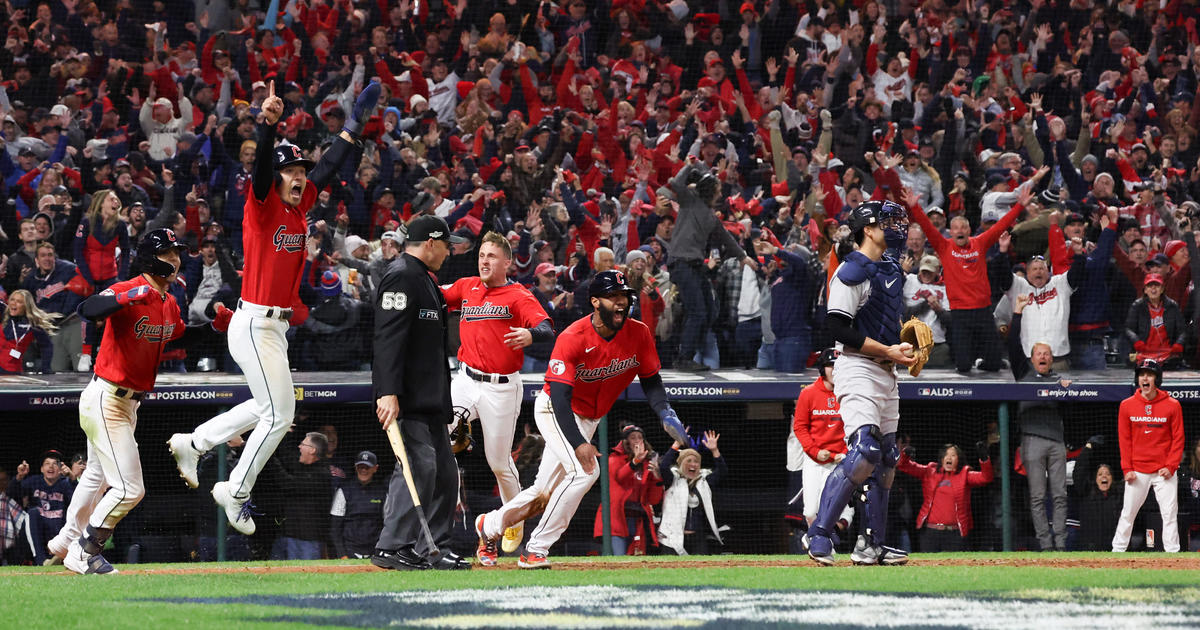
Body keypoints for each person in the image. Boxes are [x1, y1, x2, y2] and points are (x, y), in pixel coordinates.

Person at [168, 80, 381, 536]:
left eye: (301, 170)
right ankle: (236, 490)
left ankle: (195, 441)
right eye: (292, 171)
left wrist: (353, 128)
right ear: (277, 178)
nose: (301, 175)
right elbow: (263, 170)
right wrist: (267, 125)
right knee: (281, 416)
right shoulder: (262, 205)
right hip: (253, 323)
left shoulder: (298, 205)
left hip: (275, 329)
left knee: (268, 409)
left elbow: (326, 168)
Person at [474, 270, 687, 569]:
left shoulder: (638, 333)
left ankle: (490, 525)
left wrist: (665, 411)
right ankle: (536, 548)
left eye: (624, 296)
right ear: (595, 301)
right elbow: (560, 399)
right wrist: (578, 444)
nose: (621, 303)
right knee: (586, 472)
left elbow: (651, 380)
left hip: (589, 417)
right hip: (556, 411)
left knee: (541, 494)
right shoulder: (573, 337)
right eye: (613, 297)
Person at [58, 228, 187, 574]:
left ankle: (66, 540)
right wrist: (128, 296)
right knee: (130, 489)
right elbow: (88, 308)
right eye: (168, 254)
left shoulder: (167, 300)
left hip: (129, 405)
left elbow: (179, 334)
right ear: (149, 259)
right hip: (107, 398)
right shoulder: (133, 287)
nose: (175, 260)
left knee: (96, 478)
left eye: (176, 254)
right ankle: (84, 550)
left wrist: (219, 327)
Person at [806, 199, 916, 566]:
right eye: (887, 222)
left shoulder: (889, 270)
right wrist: (888, 349)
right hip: (857, 367)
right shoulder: (851, 270)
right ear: (867, 229)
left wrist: (904, 347)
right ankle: (819, 533)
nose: (896, 228)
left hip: (886, 370)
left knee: (886, 458)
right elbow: (836, 327)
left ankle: (871, 545)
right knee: (864, 451)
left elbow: (881, 323)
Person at [371, 214, 472, 572]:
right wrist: (387, 392)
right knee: (419, 467)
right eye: (446, 243)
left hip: (431, 400)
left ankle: (432, 549)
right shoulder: (401, 275)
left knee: (446, 473)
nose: (450, 250)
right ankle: (391, 546)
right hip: (407, 398)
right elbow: (387, 340)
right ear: (430, 243)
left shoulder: (424, 279)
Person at [442, 231, 552, 557]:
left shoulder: (518, 295)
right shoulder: (467, 286)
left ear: (506, 262)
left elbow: (547, 327)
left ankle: (510, 518)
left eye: (491, 256)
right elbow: (434, 295)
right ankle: (457, 437)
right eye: (481, 256)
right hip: (465, 378)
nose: (484, 261)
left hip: (501, 387)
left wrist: (531, 334)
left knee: (499, 463)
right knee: (442, 427)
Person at [1008, 294, 1073, 551]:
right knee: (1037, 496)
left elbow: (1072, 411)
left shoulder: (1060, 379)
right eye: (1039, 353)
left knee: (1059, 495)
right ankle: (1046, 546)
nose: (1043, 357)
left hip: (1057, 442)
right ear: (1032, 358)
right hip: (1032, 440)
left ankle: (1061, 544)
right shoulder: (1024, 373)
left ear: (1052, 358)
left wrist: (1066, 390)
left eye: (1047, 353)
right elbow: (1013, 343)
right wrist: (1018, 313)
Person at [1112, 359, 1185, 553]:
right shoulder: (1126, 406)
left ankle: (1173, 553)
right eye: (1141, 374)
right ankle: (1117, 552)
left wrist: (1170, 466)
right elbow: (1124, 440)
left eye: (1149, 374)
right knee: (1128, 513)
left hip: (1164, 472)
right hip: (1137, 470)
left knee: (1169, 514)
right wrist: (1127, 468)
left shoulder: (1173, 405)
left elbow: (1178, 439)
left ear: (1157, 379)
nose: (1145, 378)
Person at [787, 348, 852, 550]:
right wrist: (814, 451)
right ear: (822, 368)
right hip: (815, 460)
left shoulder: (850, 392)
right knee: (810, 511)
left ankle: (824, 547)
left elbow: (855, 426)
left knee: (836, 510)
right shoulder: (808, 393)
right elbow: (800, 427)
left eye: (838, 366)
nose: (834, 370)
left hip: (840, 461)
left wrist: (847, 454)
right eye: (830, 365)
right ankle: (817, 540)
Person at [896, 443, 994, 552]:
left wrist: (984, 459)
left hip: (955, 533)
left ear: (959, 459)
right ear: (941, 459)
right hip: (930, 532)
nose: (949, 457)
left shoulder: (965, 475)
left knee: (955, 566)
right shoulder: (930, 471)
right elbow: (904, 466)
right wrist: (905, 454)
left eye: (953, 455)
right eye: (946, 455)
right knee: (928, 565)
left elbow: (986, 477)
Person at [262, 432, 334, 560]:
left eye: (303, 444)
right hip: (285, 536)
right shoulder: (301, 466)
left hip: (307, 541)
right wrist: (284, 433)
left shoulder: (321, 474)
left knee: (306, 578)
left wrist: (268, 456)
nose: (299, 447)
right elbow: (286, 455)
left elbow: (288, 483)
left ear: (312, 450)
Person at [594, 424, 663, 556]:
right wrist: (635, 462)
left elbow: (653, 499)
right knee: (617, 557)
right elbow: (620, 477)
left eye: (640, 437)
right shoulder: (614, 459)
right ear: (625, 442)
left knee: (632, 560)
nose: (637, 440)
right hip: (616, 518)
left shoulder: (647, 465)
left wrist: (657, 478)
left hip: (637, 520)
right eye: (633, 437)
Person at [659, 432, 726, 555]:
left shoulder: (704, 482)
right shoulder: (673, 480)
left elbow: (722, 472)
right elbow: (663, 466)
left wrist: (715, 450)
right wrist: (677, 444)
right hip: (672, 537)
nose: (693, 464)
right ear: (681, 464)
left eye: (696, 461)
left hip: (698, 538)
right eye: (688, 461)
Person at [6, 451, 72, 565]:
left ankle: (61, 555)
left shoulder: (65, 484)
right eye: (47, 463)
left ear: (61, 470)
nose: (51, 466)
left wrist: (72, 478)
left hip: (59, 534)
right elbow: (11, 495)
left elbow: (78, 502)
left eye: (55, 464)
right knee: (32, 513)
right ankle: (41, 561)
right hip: (36, 535)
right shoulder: (34, 481)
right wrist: (19, 477)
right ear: (42, 469)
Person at [1069, 435, 1123, 551]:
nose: (1104, 476)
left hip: (1114, 549)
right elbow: (1079, 472)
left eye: (1107, 474)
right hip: (1090, 548)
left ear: (1112, 479)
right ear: (1095, 479)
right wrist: (1088, 448)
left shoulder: (1119, 495)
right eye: (1100, 474)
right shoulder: (1087, 493)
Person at [330, 451, 387, 559]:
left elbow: (388, 524)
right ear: (355, 467)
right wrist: (342, 554)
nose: (363, 470)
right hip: (349, 551)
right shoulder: (343, 491)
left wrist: (381, 551)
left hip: (375, 552)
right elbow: (335, 527)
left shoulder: (383, 492)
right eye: (360, 467)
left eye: (367, 467)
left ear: (375, 468)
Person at [1124, 274, 1186, 367]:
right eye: (1149, 286)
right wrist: (1136, 341)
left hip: (1168, 355)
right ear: (1145, 290)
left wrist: (1178, 344)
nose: (1153, 289)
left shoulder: (1172, 306)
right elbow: (1128, 329)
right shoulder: (1137, 306)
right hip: (1144, 353)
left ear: (1162, 289)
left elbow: (1183, 331)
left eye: (1156, 285)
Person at [0, 289, 57, 374]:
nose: (13, 303)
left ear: (26, 305)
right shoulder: (3, 313)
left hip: (11, 370)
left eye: (19, 301)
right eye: (12, 299)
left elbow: (47, 346)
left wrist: (46, 367)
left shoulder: (34, 325)